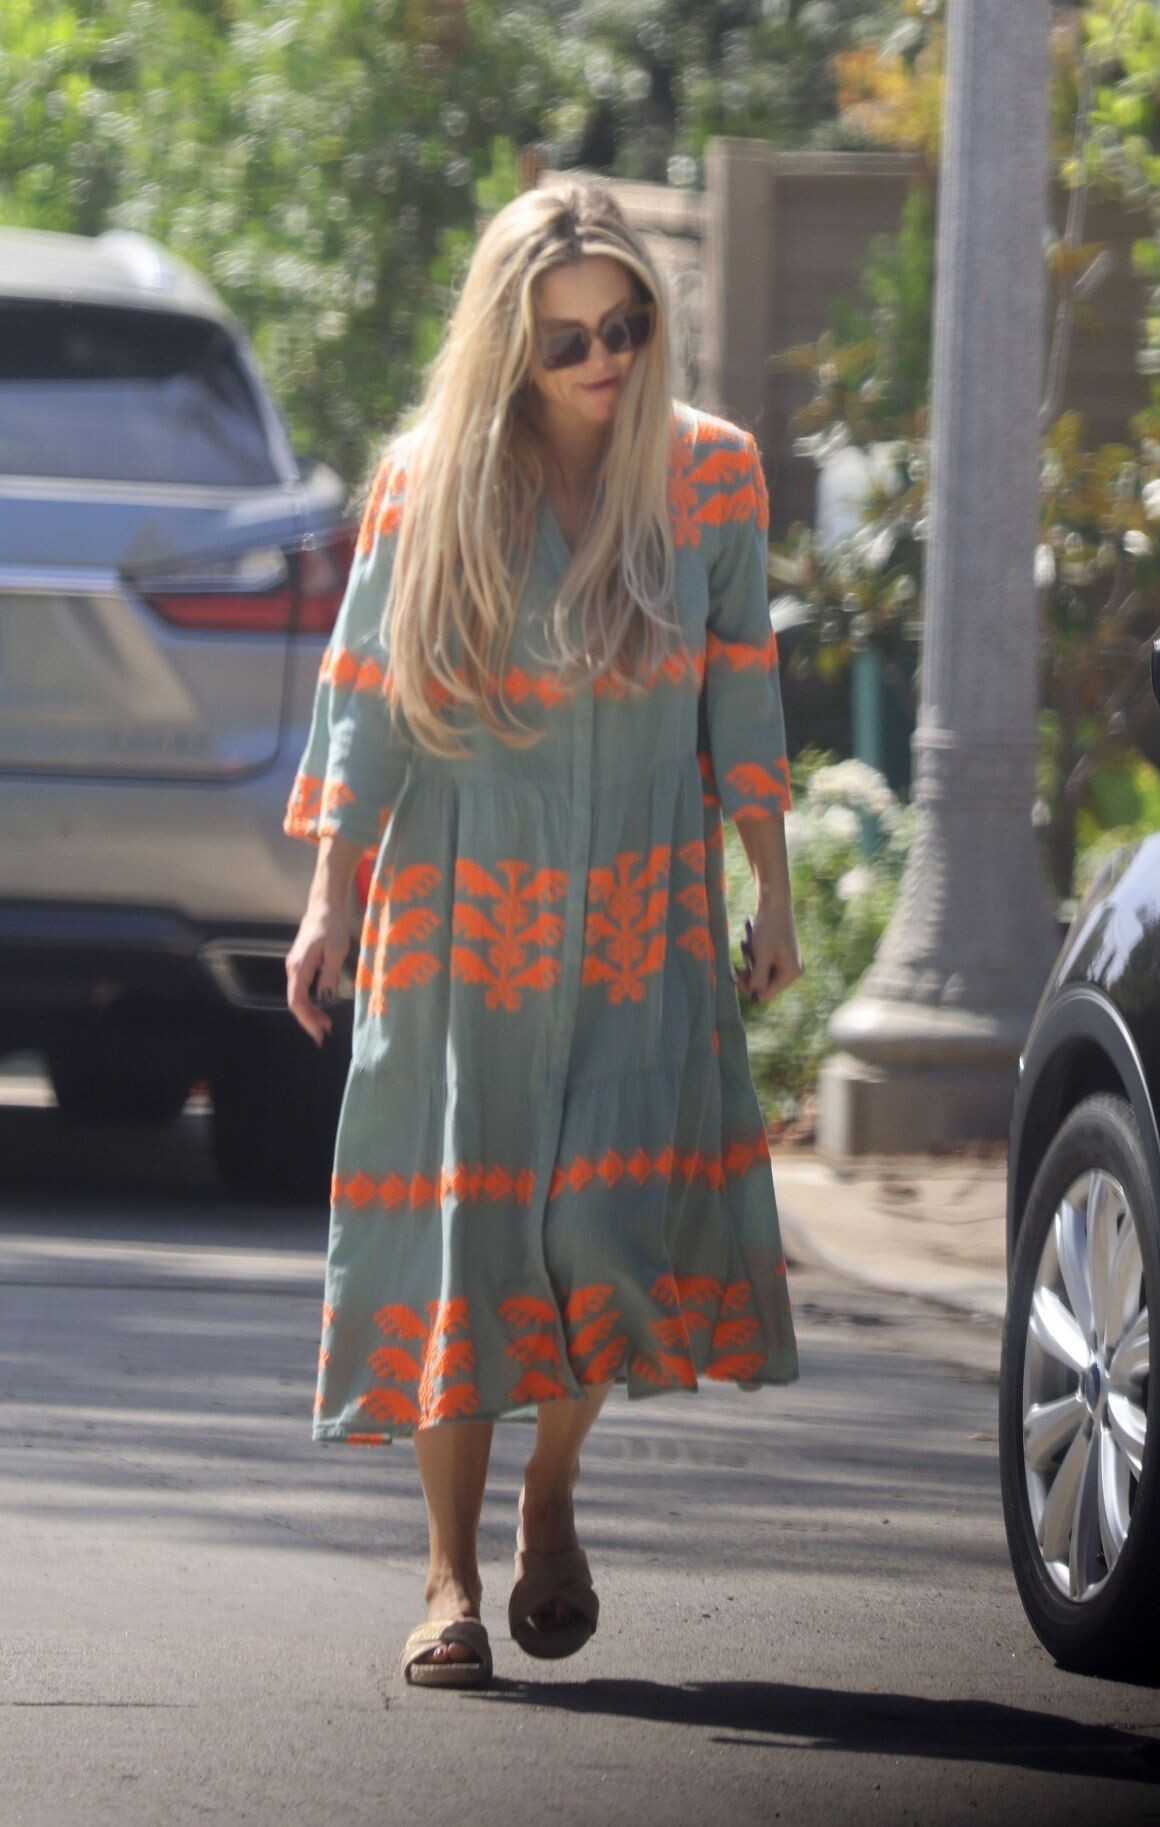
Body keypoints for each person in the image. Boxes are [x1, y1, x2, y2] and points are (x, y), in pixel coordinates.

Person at [283, 176, 804, 1689]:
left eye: (624, 327)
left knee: (597, 1232)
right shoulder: (433, 478)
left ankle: (552, 1493)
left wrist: (771, 882)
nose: (602, 360)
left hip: (643, 905)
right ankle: (446, 1577)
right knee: (470, 1241)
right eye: (567, 338)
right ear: (511, 344)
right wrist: (332, 893)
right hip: (465, 903)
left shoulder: (709, 475)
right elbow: (370, 692)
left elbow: (743, 682)